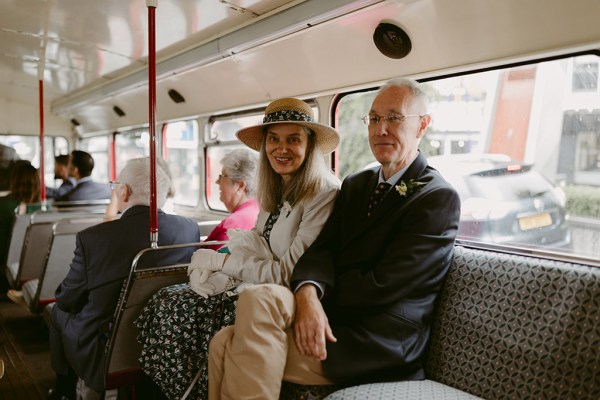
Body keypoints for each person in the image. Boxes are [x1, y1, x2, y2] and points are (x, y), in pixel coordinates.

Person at [207, 78, 462, 399]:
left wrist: (316, 301)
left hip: (378, 344)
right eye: (374, 118)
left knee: (229, 345)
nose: (381, 129)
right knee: (228, 333)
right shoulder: (358, 184)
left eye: (394, 118)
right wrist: (308, 293)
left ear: (422, 125)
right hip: (335, 320)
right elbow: (321, 251)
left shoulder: (436, 198)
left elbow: (384, 285)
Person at [134, 97, 341, 399]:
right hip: (256, 281)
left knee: (174, 309)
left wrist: (220, 264)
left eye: (293, 139)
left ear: (309, 146)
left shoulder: (323, 193)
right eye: (274, 139)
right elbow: (255, 243)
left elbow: (287, 273)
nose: (281, 149)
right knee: (163, 300)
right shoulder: (276, 190)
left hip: (286, 297)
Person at [48, 157, 201, 400]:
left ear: (126, 191)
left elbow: (68, 300)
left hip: (106, 351)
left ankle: (64, 390)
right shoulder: (189, 229)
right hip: (166, 340)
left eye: (116, 185)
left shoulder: (93, 238)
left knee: (58, 312)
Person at [203, 148, 260, 250]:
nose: (217, 181)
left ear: (240, 186)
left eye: (222, 176)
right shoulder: (261, 210)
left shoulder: (231, 226)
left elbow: (212, 263)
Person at [0, 161, 41, 294]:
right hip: (38, 272)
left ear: (13, 181)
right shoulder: (45, 210)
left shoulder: (4, 206)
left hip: (4, 272)